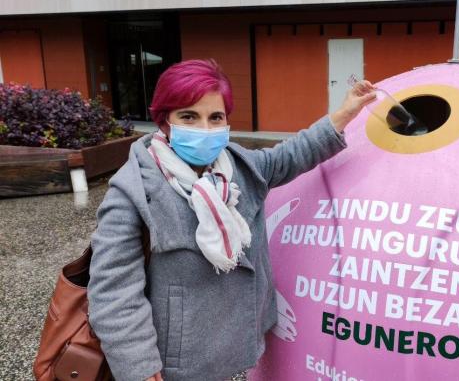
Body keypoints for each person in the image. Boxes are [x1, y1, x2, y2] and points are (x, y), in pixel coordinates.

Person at [86, 58, 376, 381]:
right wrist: (139, 366)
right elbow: (113, 292)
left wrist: (345, 113)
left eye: (215, 118)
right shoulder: (134, 190)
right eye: (189, 117)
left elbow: (291, 155)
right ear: (165, 122)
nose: (204, 129)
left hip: (230, 351)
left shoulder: (239, 167)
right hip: (176, 365)